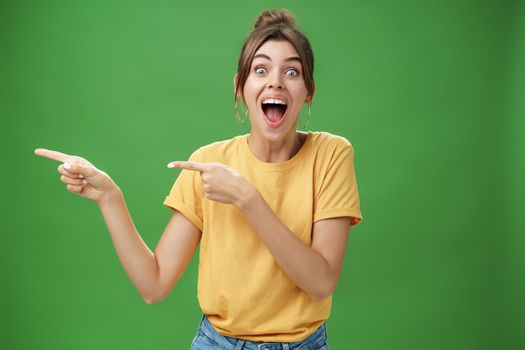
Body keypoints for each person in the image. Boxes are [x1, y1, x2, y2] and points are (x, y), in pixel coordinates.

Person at [34, 8, 362, 350]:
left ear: (308, 91)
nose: (275, 80)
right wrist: (109, 197)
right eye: (260, 69)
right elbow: (154, 284)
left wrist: (247, 199)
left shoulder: (331, 154)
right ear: (240, 88)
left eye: (291, 71)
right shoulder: (208, 163)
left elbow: (321, 283)